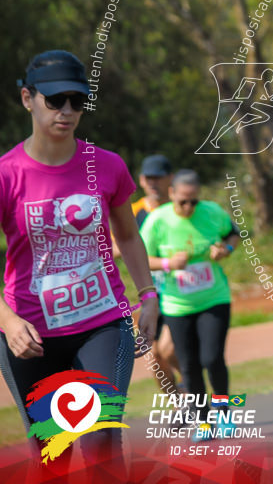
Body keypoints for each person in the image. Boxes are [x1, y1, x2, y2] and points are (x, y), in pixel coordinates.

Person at [0, 50, 158, 475]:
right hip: (31, 333)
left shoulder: (105, 165)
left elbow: (127, 233)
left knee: (101, 436)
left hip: (102, 321)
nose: (67, 111)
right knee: (53, 452)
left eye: (77, 101)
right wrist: (9, 322)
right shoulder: (7, 174)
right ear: (27, 98)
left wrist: (149, 294)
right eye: (55, 100)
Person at [139, 169, 239, 440]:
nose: (188, 207)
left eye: (193, 201)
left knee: (212, 358)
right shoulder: (157, 221)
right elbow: (140, 258)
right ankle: (204, 423)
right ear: (171, 193)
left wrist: (225, 250)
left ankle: (225, 414)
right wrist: (169, 263)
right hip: (177, 305)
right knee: (190, 364)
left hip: (214, 299)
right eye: (183, 201)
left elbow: (234, 234)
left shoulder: (212, 212)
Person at [131, 154, 183, 394]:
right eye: (148, 178)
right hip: (150, 293)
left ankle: (198, 395)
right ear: (141, 180)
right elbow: (114, 245)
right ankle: (180, 406)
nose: (153, 183)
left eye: (158, 178)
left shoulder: (181, 207)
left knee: (169, 350)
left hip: (179, 290)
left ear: (170, 179)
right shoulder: (133, 212)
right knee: (153, 356)